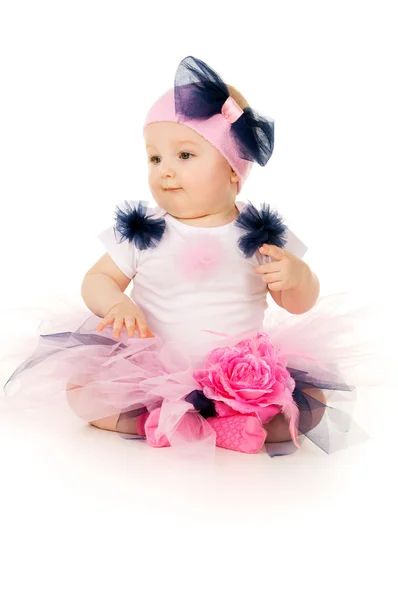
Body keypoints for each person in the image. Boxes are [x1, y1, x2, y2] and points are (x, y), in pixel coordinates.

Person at [1, 56, 379, 458]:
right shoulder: (144, 229)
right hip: (154, 371)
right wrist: (117, 302)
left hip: (237, 375)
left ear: (234, 169)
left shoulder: (259, 233)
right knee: (81, 393)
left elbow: (298, 303)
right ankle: (156, 420)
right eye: (154, 158)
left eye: (184, 156)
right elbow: (97, 279)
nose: (165, 171)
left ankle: (226, 423)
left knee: (310, 408)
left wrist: (298, 277)